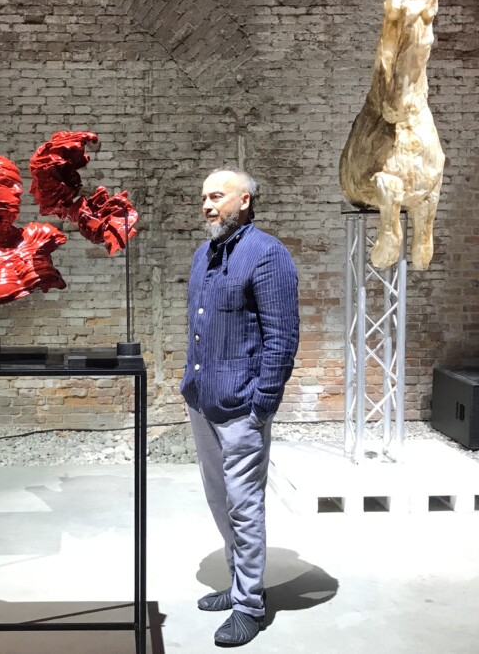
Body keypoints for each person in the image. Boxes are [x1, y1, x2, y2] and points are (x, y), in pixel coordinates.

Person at [179, 168, 299, 647]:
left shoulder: (267, 254)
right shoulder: (204, 254)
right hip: (203, 400)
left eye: (217, 196)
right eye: (204, 197)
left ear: (245, 200)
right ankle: (236, 583)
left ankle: (250, 603)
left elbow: (282, 337)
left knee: (245, 505)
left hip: (241, 405)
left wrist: (261, 404)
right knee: (218, 500)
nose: (207, 205)